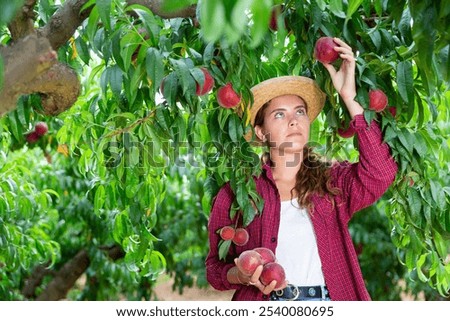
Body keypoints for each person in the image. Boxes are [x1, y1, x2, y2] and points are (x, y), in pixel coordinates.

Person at [205, 38, 398, 301]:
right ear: (261, 132)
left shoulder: (331, 182)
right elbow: (215, 270)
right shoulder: (238, 193)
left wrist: (350, 98)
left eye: (299, 112)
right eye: (279, 115)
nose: (294, 121)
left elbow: (381, 173)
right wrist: (240, 275)